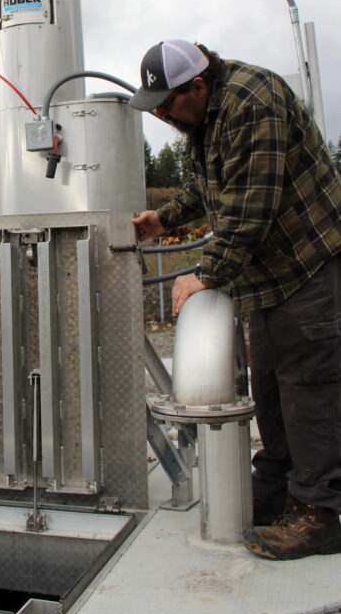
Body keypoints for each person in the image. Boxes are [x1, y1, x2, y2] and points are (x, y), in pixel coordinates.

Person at [129, 39, 341, 560]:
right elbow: (211, 188)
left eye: (166, 103)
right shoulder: (202, 121)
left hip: (307, 264)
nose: (160, 114)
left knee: (308, 388)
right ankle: (278, 490)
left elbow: (250, 210)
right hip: (267, 277)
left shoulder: (253, 102)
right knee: (269, 385)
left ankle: (322, 514)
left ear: (198, 85)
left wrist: (203, 273)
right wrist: (164, 219)